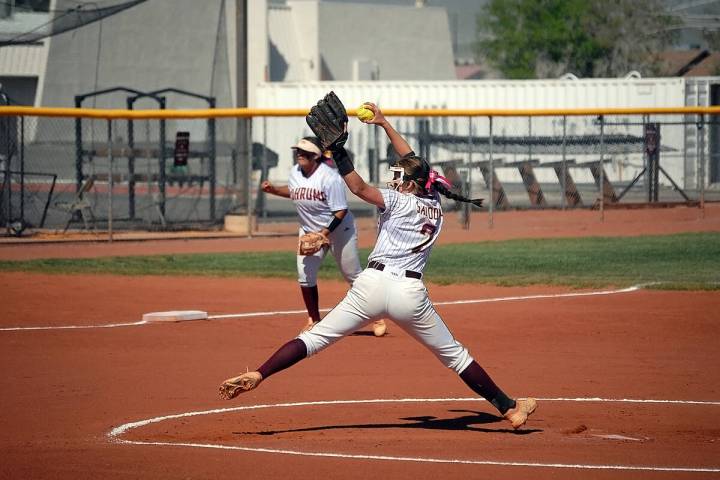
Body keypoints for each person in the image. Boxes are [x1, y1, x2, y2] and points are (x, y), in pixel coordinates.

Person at [221, 104, 537, 430]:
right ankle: (510, 409)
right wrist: (384, 124)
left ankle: (260, 373)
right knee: (456, 356)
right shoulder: (434, 204)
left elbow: (357, 188)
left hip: (370, 286)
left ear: (411, 184)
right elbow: (416, 162)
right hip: (409, 295)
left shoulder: (398, 199)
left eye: (399, 178)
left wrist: (339, 151)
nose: (394, 181)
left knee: (315, 338)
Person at [261, 135, 387, 337]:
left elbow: (340, 211)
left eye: (305, 153)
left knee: (353, 275)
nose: (300, 155)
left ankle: (377, 315)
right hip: (310, 231)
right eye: (298, 152)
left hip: (339, 231)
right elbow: (295, 191)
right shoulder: (295, 172)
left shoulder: (330, 178)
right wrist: (274, 190)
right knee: (305, 275)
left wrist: (324, 234)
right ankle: (313, 319)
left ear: (316, 155)